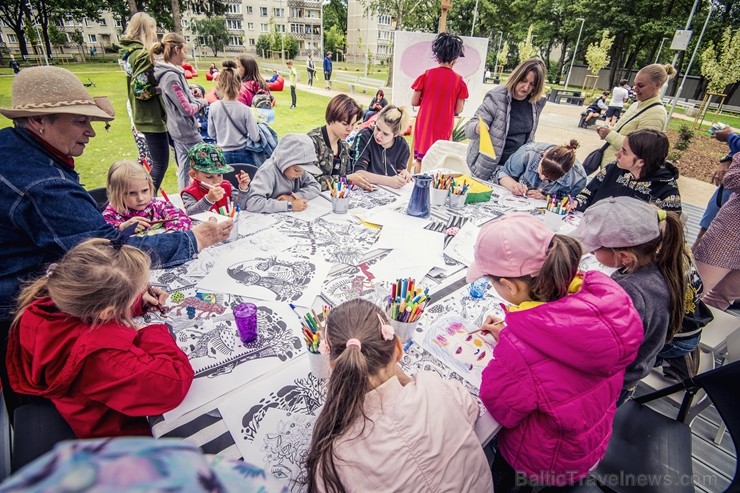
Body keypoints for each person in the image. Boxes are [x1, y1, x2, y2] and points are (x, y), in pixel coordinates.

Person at [0, 66, 231, 414]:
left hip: (39, 313)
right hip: (23, 309)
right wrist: (192, 240)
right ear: (38, 121)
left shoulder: (19, 148)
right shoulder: (43, 183)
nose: (90, 132)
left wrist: (133, 299)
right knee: (44, 406)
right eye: (79, 121)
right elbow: (109, 253)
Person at [468, 213, 642, 490]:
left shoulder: (521, 350)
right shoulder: (605, 299)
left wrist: (513, 344)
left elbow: (500, 408)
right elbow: (560, 355)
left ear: (510, 286)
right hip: (587, 444)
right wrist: (514, 336)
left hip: (538, 459)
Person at [6, 238, 195, 438]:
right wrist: (150, 333)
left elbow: (95, 301)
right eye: (136, 292)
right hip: (120, 435)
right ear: (107, 312)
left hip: (83, 410)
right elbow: (172, 383)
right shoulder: (103, 356)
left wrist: (134, 302)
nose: (141, 292)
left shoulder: (49, 304)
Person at [302, 299, 492, 493]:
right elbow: (471, 409)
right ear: (399, 349)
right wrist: (404, 378)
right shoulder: (434, 386)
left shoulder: (337, 457)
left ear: (333, 366)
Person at [575, 196, 686, 405]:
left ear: (625, 256)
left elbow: (597, 352)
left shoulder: (631, 291)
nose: (592, 253)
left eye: (595, 250)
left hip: (610, 385)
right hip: (630, 371)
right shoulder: (658, 263)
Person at [464, 58, 547, 181]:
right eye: (523, 81)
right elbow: (469, 128)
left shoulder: (536, 103)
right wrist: (478, 127)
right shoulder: (496, 96)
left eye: (532, 84)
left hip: (514, 170)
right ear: (516, 77)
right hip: (487, 167)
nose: (526, 87)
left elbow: (529, 137)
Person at [574, 128, 681, 212]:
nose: (617, 154)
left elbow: (668, 231)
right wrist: (576, 203)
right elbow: (586, 195)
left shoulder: (667, 189)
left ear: (641, 162)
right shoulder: (612, 168)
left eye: (624, 152)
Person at [120, 12, 169, 192]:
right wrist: (161, 88)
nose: (155, 33)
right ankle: (148, 201)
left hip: (144, 116)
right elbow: (141, 90)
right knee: (160, 164)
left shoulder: (130, 54)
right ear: (147, 30)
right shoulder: (141, 55)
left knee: (159, 162)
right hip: (151, 117)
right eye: (153, 28)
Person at [152, 32, 208, 190]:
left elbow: (179, 96)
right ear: (176, 49)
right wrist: (203, 101)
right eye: (184, 51)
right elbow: (187, 109)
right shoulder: (171, 76)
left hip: (178, 129)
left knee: (184, 167)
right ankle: (206, 198)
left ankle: (185, 198)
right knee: (208, 163)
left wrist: (191, 91)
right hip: (186, 130)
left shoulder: (173, 73)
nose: (185, 56)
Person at [594, 64, 676, 170]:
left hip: (622, 174)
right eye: (635, 85)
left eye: (640, 86)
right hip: (610, 168)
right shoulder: (636, 105)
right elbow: (622, 131)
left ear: (657, 84)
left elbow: (640, 150)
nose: (635, 89)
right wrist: (607, 131)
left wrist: (610, 135)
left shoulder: (656, 113)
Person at [411, 32, 469, 172]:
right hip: (444, 125)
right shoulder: (458, 81)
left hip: (425, 123)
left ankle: (419, 186)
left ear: (437, 55)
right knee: (439, 160)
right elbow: (459, 109)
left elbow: (414, 101)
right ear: (455, 59)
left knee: (421, 159)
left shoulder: (426, 75)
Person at [693, 151, 740, 310]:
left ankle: (696, 333)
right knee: (693, 288)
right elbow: (732, 178)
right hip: (731, 234)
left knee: (723, 297)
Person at [103, 160, 192, 234]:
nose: (141, 198)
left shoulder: (156, 205)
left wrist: (171, 233)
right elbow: (103, 236)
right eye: (132, 193)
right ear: (117, 194)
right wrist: (122, 228)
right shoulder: (111, 214)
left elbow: (181, 218)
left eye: (145, 191)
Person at [307, 94, 373, 191]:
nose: (349, 129)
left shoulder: (344, 146)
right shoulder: (312, 142)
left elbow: (347, 176)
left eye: (353, 124)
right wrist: (347, 179)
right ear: (331, 118)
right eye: (345, 124)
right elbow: (310, 182)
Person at [246, 134, 322, 213]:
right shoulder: (267, 172)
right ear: (284, 162)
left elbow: (316, 187)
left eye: (303, 171)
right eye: (296, 170)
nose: (300, 174)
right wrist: (289, 205)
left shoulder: (300, 168)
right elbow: (253, 202)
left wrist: (293, 197)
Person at [207, 60, 260, 165]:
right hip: (243, 154)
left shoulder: (213, 107)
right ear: (239, 84)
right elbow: (255, 137)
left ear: (220, 84)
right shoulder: (245, 110)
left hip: (222, 155)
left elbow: (211, 134)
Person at [693, 126, 738, 248]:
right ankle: (695, 253)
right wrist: (728, 158)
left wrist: (730, 137)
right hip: (729, 189)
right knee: (709, 223)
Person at [497, 139, 587, 199]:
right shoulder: (528, 152)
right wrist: (513, 185)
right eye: (542, 171)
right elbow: (503, 174)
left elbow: (570, 203)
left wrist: (545, 198)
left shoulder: (578, 178)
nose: (543, 178)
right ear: (544, 155)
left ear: (566, 172)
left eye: (550, 179)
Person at [351, 105, 414, 189]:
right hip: (363, 189)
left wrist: (404, 173)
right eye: (377, 128)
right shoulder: (365, 136)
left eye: (385, 134)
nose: (378, 135)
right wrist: (389, 181)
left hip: (390, 193)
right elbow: (358, 173)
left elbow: (400, 171)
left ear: (396, 134)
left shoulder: (402, 146)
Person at [181, 143, 250, 215]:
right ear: (193, 175)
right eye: (209, 176)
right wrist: (208, 200)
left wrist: (243, 188)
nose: (217, 181)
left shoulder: (226, 185)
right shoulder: (189, 193)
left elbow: (239, 207)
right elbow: (191, 214)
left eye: (219, 175)